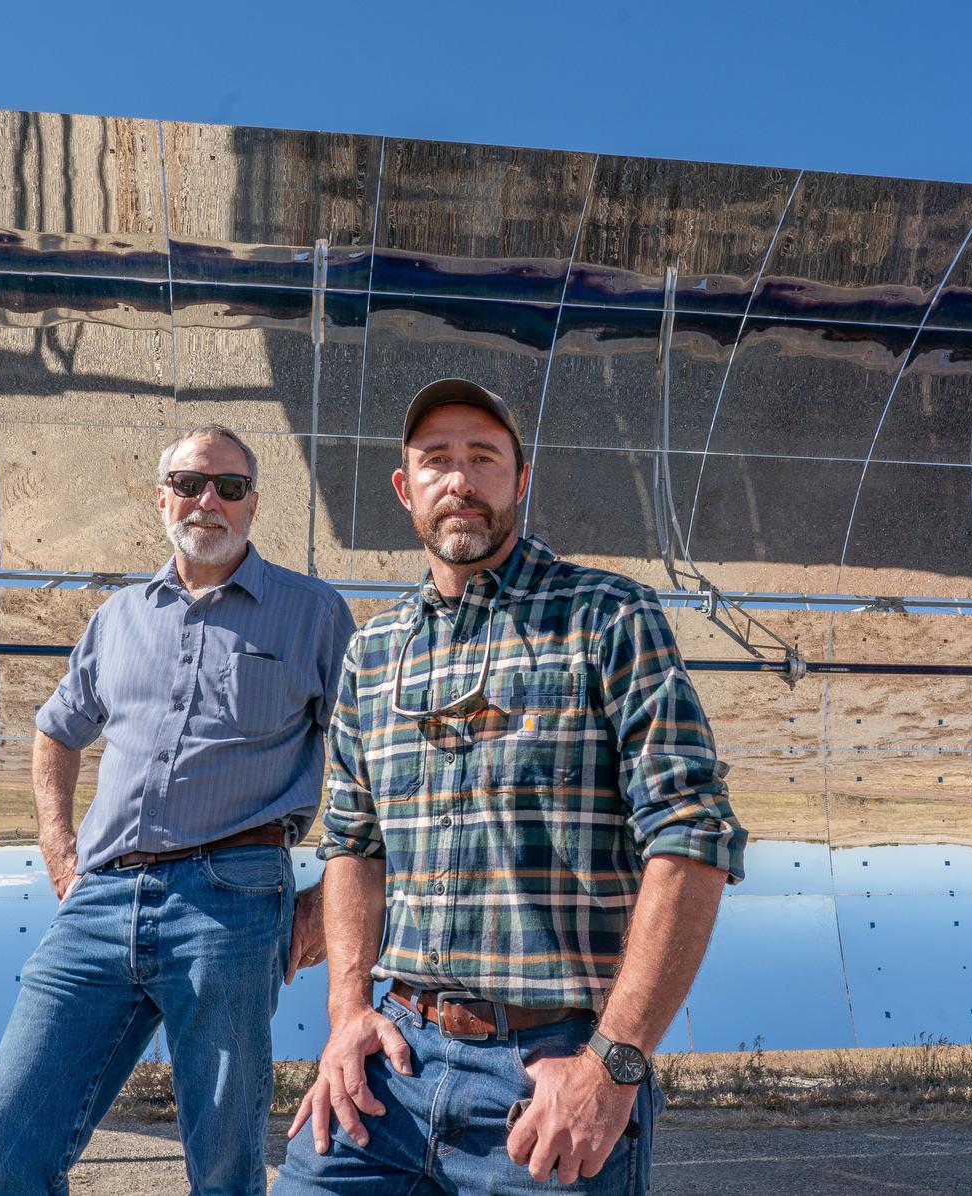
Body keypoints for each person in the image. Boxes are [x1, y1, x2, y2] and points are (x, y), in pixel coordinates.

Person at [274, 379, 746, 1194]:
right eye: (437, 461)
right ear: (406, 488)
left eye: (483, 458)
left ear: (520, 481)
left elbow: (691, 840)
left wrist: (615, 1066)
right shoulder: (374, 653)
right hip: (391, 1069)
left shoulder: (607, 620)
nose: (459, 480)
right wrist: (347, 1013)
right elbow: (354, 846)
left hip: (550, 1076)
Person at [0, 424, 356, 1196]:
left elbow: (371, 761)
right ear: (162, 497)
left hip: (234, 901)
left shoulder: (313, 614)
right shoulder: (119, 617)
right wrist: (57, 847)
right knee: (7, 1133)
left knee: (221, 1159)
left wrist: (327, 903)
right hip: (100, 900)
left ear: (253, 505)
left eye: (229, 486)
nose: (207, 499)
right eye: (189, 483)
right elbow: (55, 731)